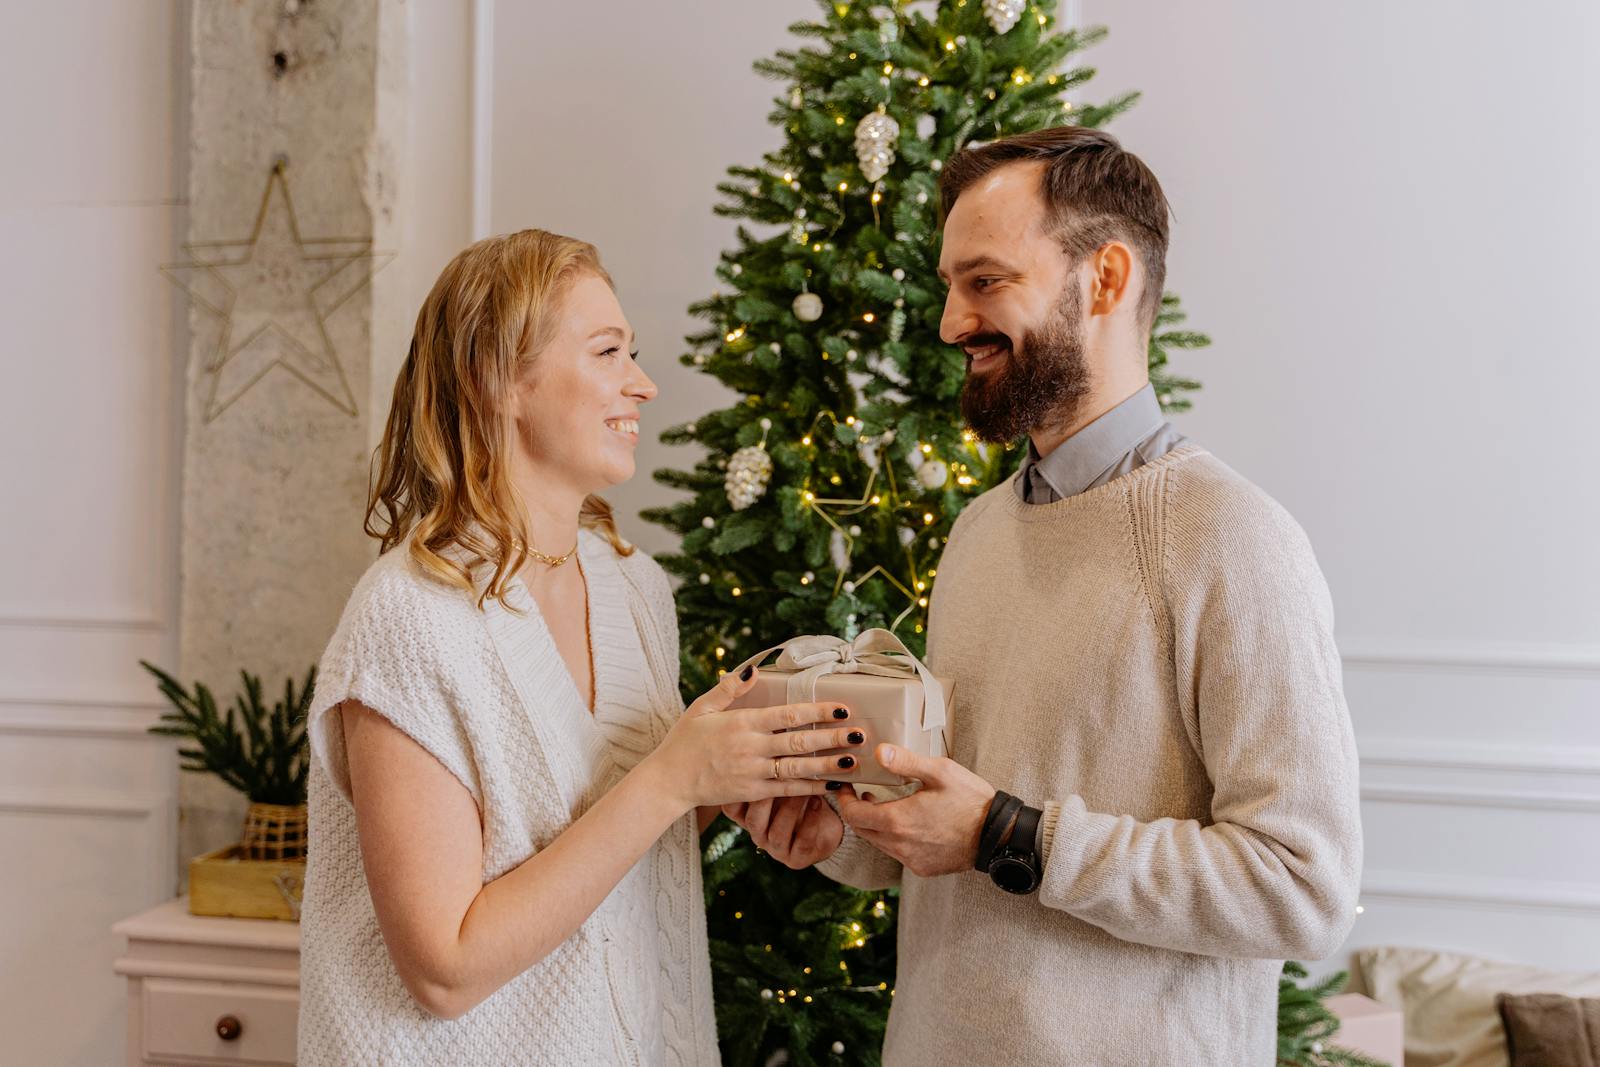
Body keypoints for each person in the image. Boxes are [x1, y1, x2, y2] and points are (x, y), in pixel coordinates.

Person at [724, 127, 1364, 1065]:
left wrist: (1006, 833)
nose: (950, 321)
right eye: (950, 283)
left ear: (1104, 279)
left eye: (985, 282)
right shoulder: (981, 532)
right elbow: (958, 816)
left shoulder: (1233, 538)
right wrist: (845, 834)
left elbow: (1303, 888)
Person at [297, 229, 868, 1066]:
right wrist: (676, 775)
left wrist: (739, 777)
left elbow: (617, 824)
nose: (643, 382)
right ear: (496, 378)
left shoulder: (634, 585)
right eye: (607, 352)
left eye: (631, 353)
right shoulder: (409, 618)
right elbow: (445, 968)